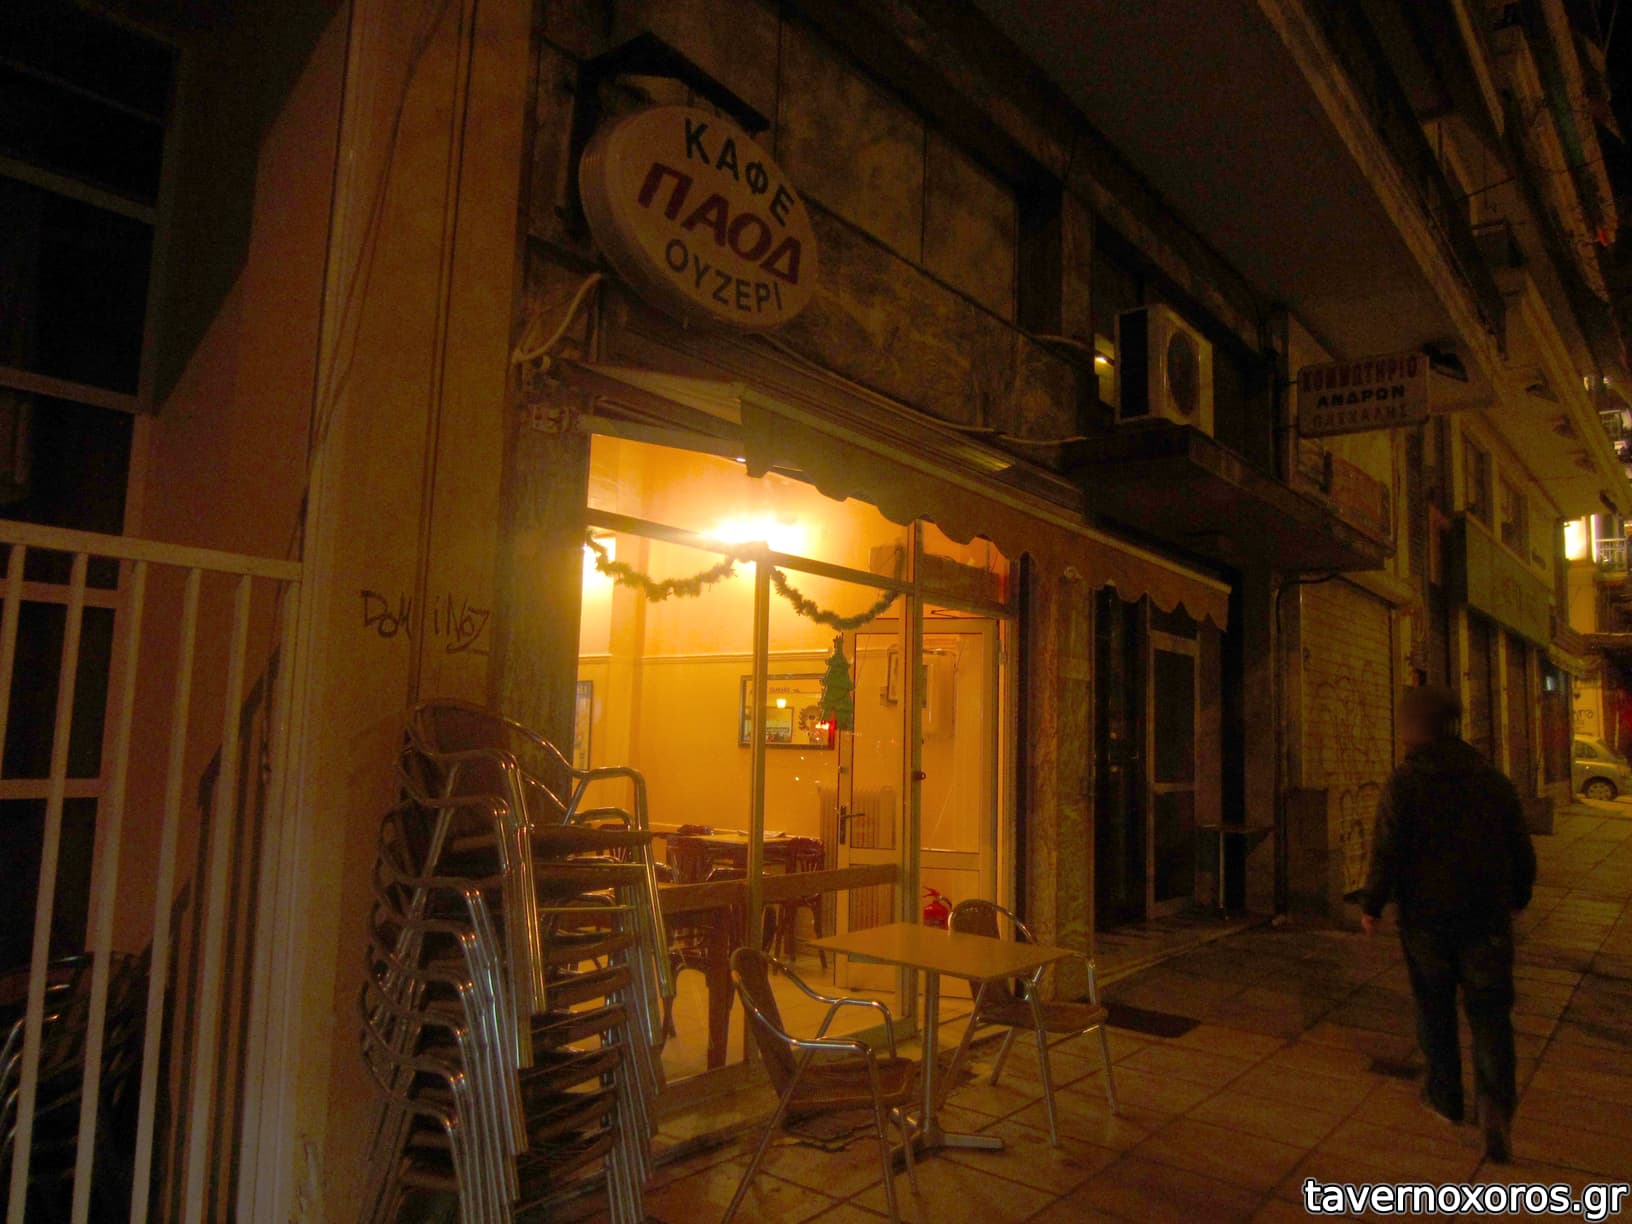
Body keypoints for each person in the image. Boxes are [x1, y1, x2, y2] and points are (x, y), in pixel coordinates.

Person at [1359, 685, 1536, 1162]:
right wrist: (1518, 896)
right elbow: (1520, 848)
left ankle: (1445, 1096)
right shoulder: (1492, 781)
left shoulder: (1406, 783)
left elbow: (1387, 849)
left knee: (1434, 1007)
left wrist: (1373, 904)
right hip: (1486, 918)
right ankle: (1495, 1106)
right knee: (1490, 1014)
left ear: (1419, 728)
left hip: (1427, 920)